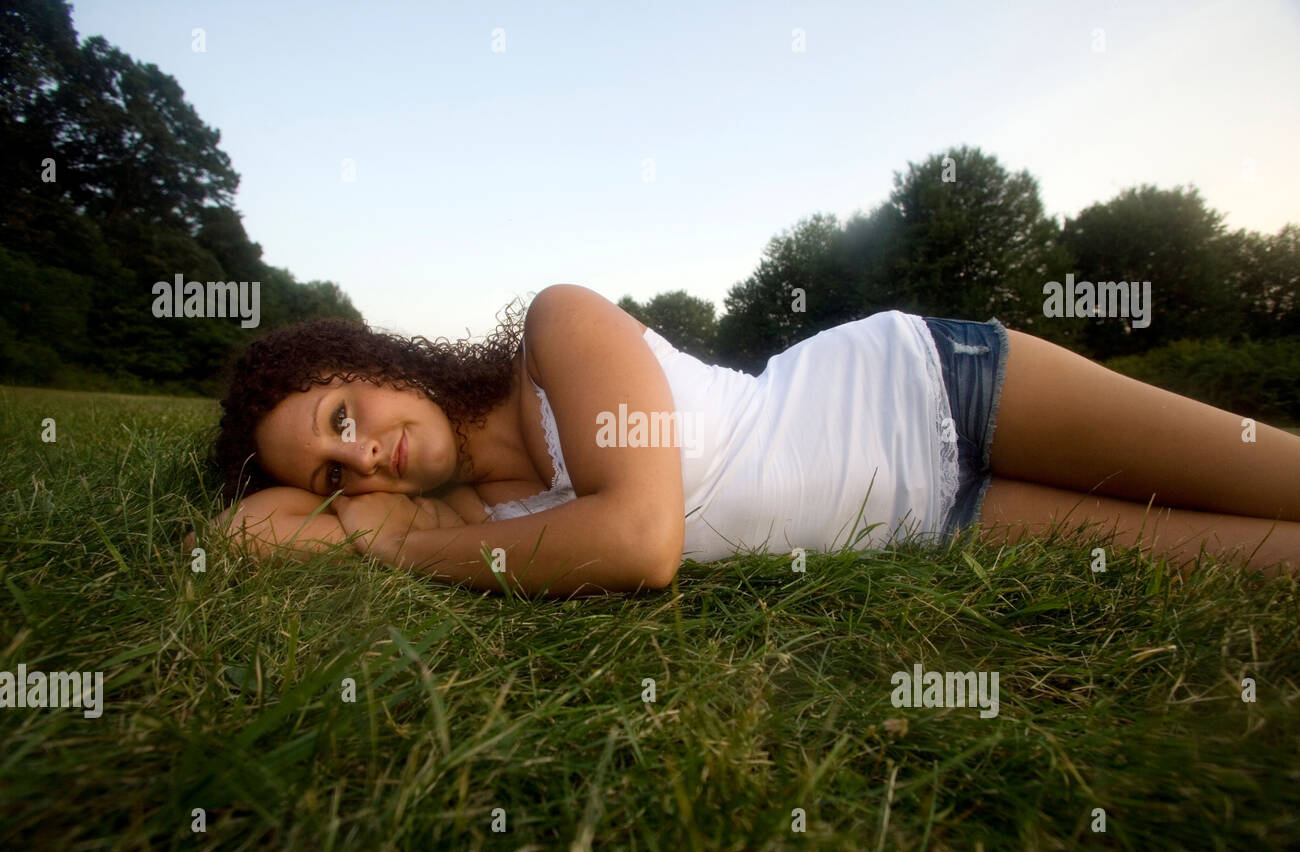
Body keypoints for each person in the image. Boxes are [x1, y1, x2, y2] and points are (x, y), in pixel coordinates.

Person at [206, 283, 1300, 597]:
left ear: (381, 362)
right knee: (1263, 559)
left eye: (342, 417)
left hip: (939, 387)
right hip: (929, 518)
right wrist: (349, 524)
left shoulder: (558, 329)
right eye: (332, 475)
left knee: (1279, 475)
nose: (363, 457)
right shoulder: (477, 525)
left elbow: (639, 541)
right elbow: (251, 533)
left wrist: (389, 545)